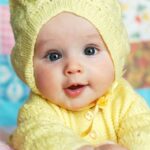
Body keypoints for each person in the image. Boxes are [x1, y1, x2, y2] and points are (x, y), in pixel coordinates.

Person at [8, 0, 150, 150]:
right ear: (29, 68)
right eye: (53, 56)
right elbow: (40, 136)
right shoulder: (37, 110)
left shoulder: (124, 99)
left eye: (90, 51)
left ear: (115, 54)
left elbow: (142, 127)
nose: (73, 68)